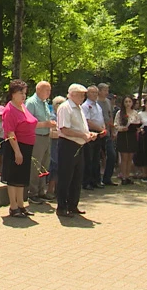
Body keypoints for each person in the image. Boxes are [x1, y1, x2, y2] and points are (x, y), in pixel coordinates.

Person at [56, 84, 97, 218]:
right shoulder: (65, 107)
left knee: (77, 176)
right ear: (72, 94)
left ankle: (73, 204)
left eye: (83, 94)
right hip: (68, 145)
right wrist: (82, 135)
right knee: (65, 176)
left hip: (79, 145)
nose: (83, 97)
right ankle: (61, 207)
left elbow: (80, 128)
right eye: (80, 94)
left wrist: (88, 134)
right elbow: (64, 129)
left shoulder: (79, 108)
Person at [1, 79, 41, 218]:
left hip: (27, 147)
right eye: (20, 93)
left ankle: (21, 204)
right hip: (15, 147)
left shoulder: (23, 107)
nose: (23, 96)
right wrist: (17, 151)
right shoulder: (9, 109)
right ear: (12, 94)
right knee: (13, 178)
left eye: (24, 93)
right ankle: (13, 206)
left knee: (21, 178)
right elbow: (10, 133)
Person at [25, 81, 56, 204]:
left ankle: (41, 191)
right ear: (38, 90)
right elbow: (27, 123)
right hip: (36, 136)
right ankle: (32, 193)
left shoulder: (44, 103)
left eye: (49, 90)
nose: (49, 93)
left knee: (44, 164)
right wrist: (45, 124)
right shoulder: (31, 103)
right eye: (46, 90)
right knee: (35, 166)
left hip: (46, 136)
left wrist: (51, 125)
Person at [82, 85, 107, 190]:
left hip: (99, 133)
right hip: (91, 133)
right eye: (92, 92)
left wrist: (103, 128)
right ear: (87, 93)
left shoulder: (98, 106)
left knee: (97, 158)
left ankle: (95, 180)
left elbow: (100, 119)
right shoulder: (86, 106)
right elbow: (88, 121)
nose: (95, 95)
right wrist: (100, 129)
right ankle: (86, 182)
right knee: (89, 158)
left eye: (96, 93)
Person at [114, 95, 141, 185]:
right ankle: (123, 176)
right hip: (123, 135)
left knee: (130, 157)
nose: (128, 103)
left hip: (132, 135)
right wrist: (122, 128)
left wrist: (138, 128)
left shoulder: (135, 113)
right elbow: (116, 125)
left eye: (129, 101)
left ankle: (128, 175)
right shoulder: (119, 113)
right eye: (126, 102)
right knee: (124, 157)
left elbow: (138, 123)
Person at [98, 83, 118, 186]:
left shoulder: (108, 102)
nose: (107, 92)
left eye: (107, 90)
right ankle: (96, 179)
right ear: (99, 91)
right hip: (98, 132)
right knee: (97, 157)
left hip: (108, 132)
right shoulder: (95, 102)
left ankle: (107, 178)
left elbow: (110, 116)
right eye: (105, 90)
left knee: (112, 155)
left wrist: (112, 130)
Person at [47, 96, 67, 199]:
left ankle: (58, 190)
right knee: (54, 166)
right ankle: (50, 189)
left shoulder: (65, 116)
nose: (59, 106)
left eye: (62, 103)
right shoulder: (52, 117)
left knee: (62, 166)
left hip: (63, 144)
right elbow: (50, 132)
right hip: (53, 145)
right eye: (57, 104)